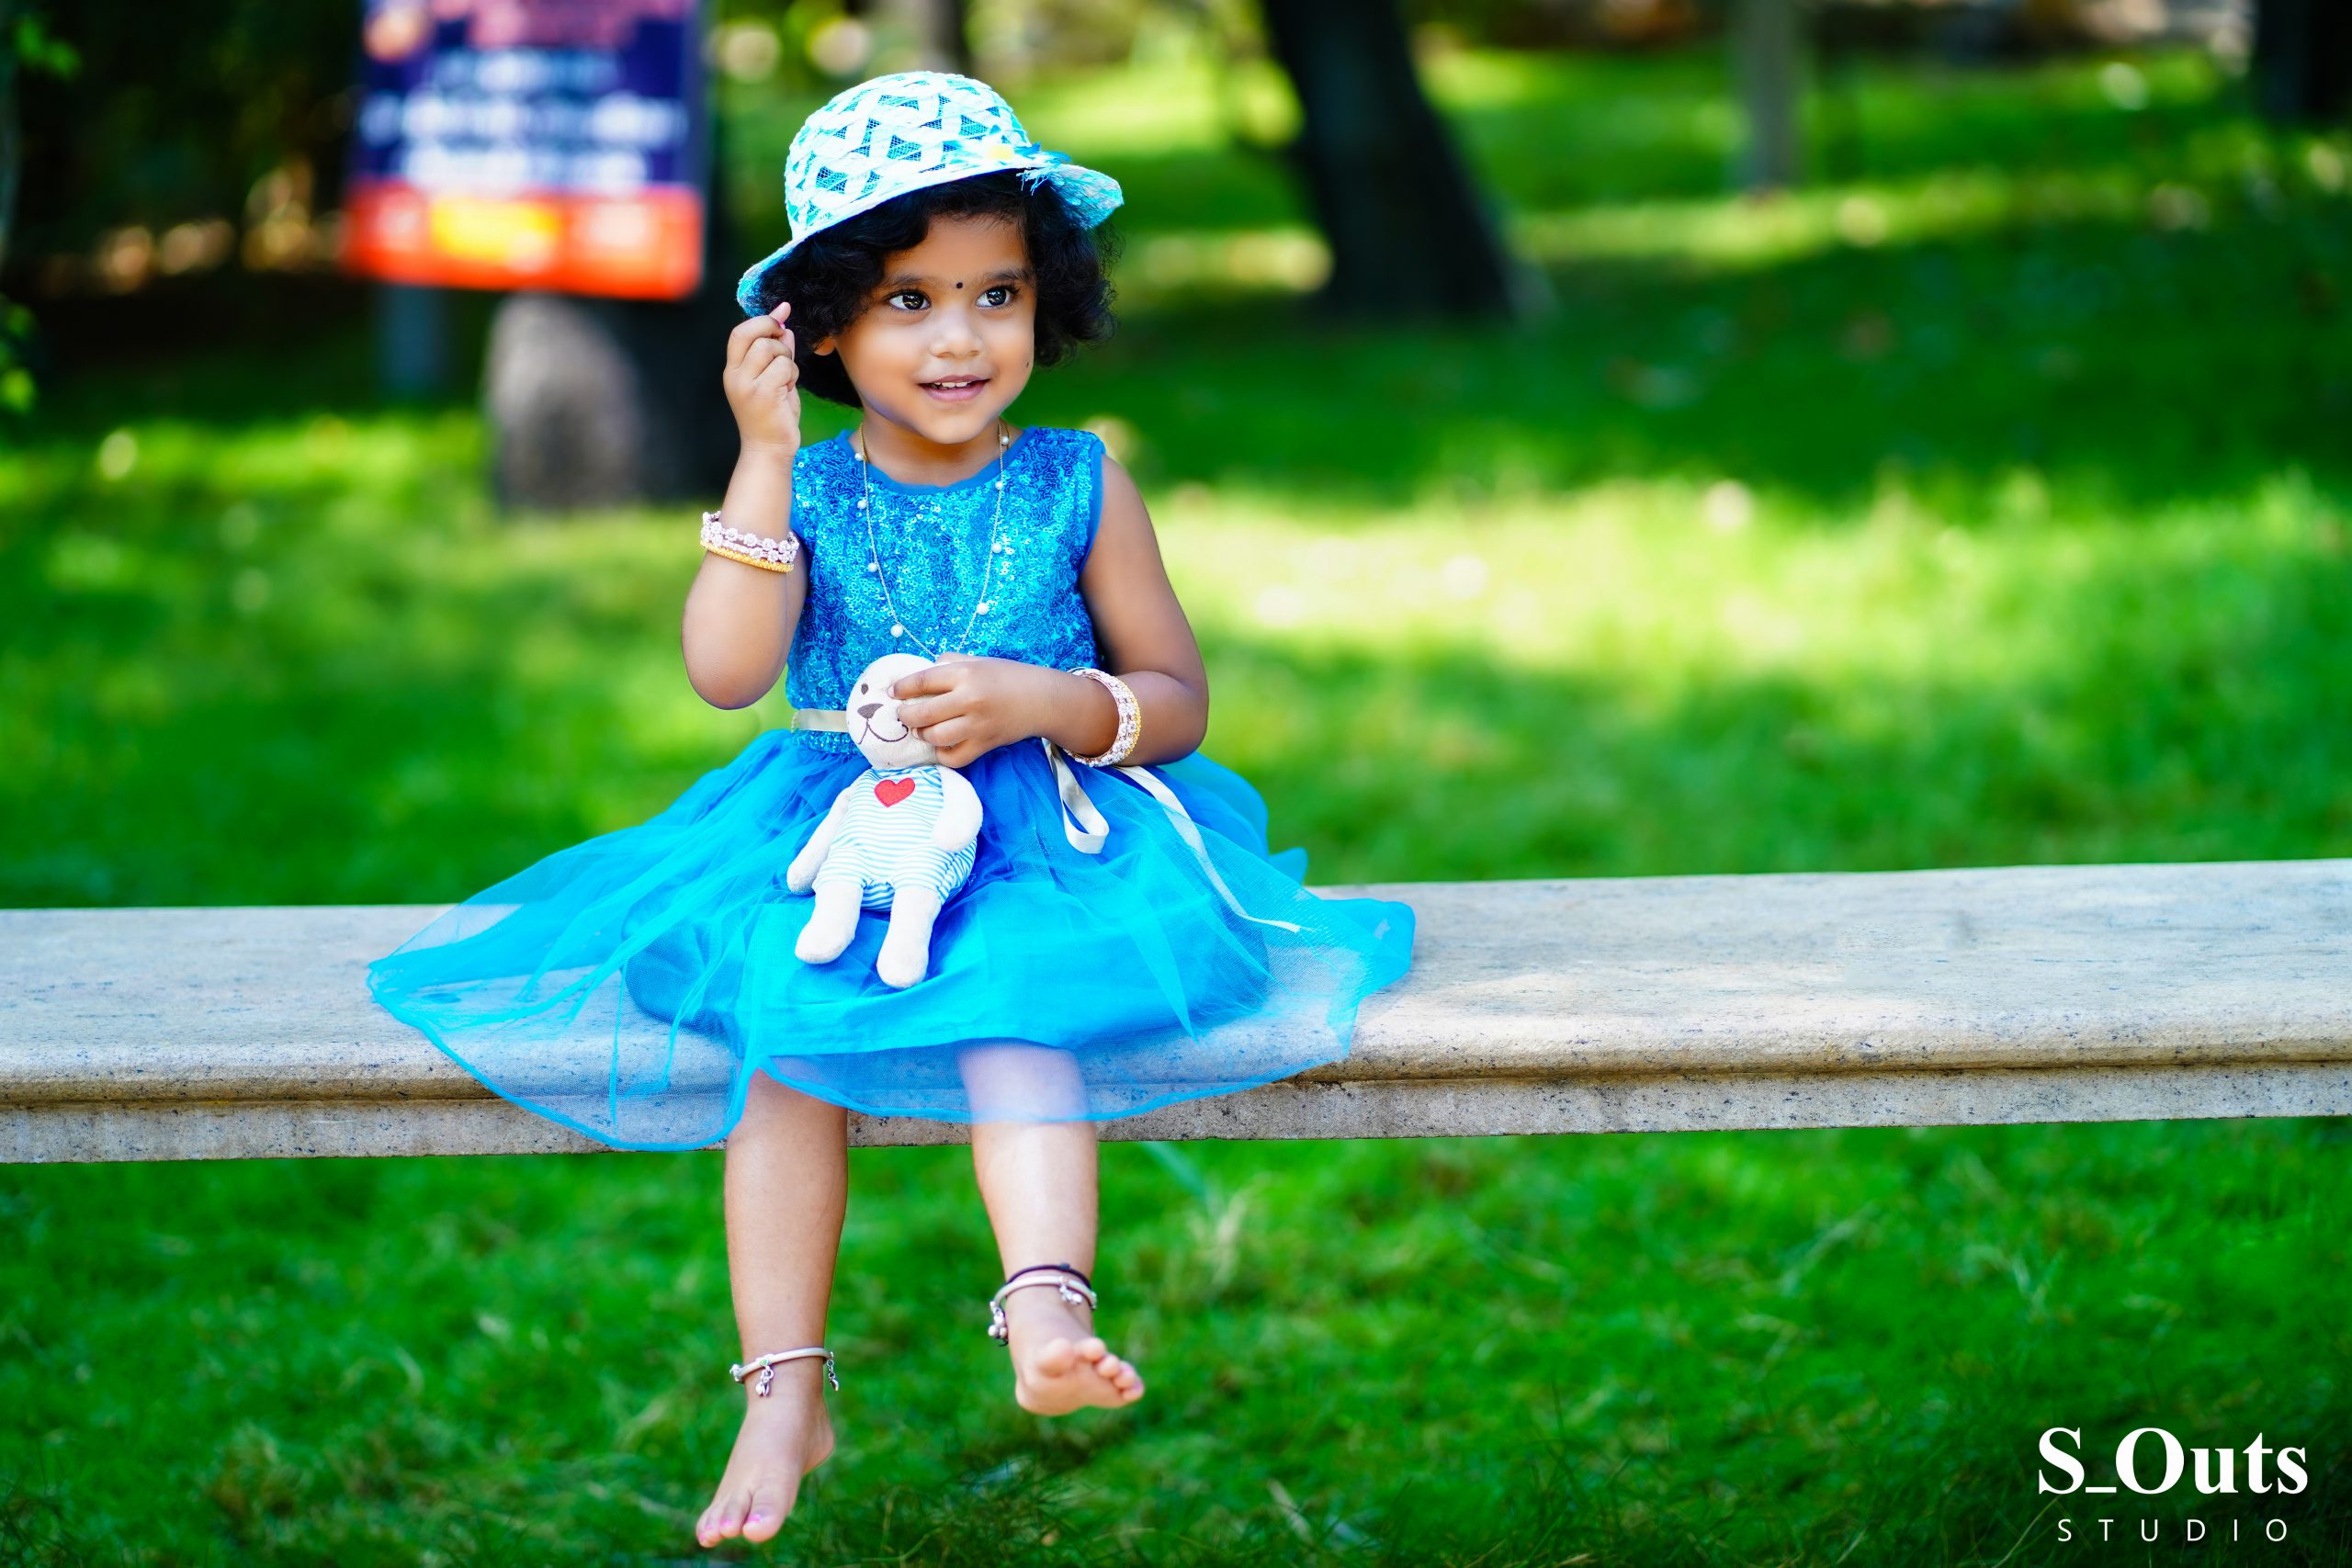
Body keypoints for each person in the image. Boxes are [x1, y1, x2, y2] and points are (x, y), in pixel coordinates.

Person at [366, 70, 1417, 1549]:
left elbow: (1173, 698)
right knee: (784, 1050)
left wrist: (1045, 701)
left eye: (997, 293)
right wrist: (763, 457)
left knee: (1015, 1007)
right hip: (831, 827)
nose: (961, 337)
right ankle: (783, 1388)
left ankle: (1046, 1305)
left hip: (1050, 829)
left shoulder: (1079, 479)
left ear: (1048, 300)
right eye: (911, 301)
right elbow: (728, 672)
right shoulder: (806, 489)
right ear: (826, 325)